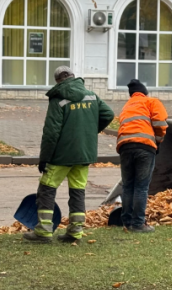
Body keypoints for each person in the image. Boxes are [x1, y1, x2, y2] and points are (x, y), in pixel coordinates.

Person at [24, 66, 115, 244]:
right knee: (78, 191)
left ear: (58, 80)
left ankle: (43, 231)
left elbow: (51, 132)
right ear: (73, 77)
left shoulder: (58, 99)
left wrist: (45, 158)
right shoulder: (91, 95)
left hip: (62, 155)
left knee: (47, 189)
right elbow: (108, 114)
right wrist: (89, 132)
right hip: (84, 154)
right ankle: (75, 231)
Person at [116, 79, 168, 233]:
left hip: (125, 147)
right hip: (144, 147)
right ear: (145, 92)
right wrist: (158, 141)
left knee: (128, 186)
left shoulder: (127, 106)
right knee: (141, 187)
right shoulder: (151, 101)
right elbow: (160, 123)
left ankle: (126, 222)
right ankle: (138, 224)